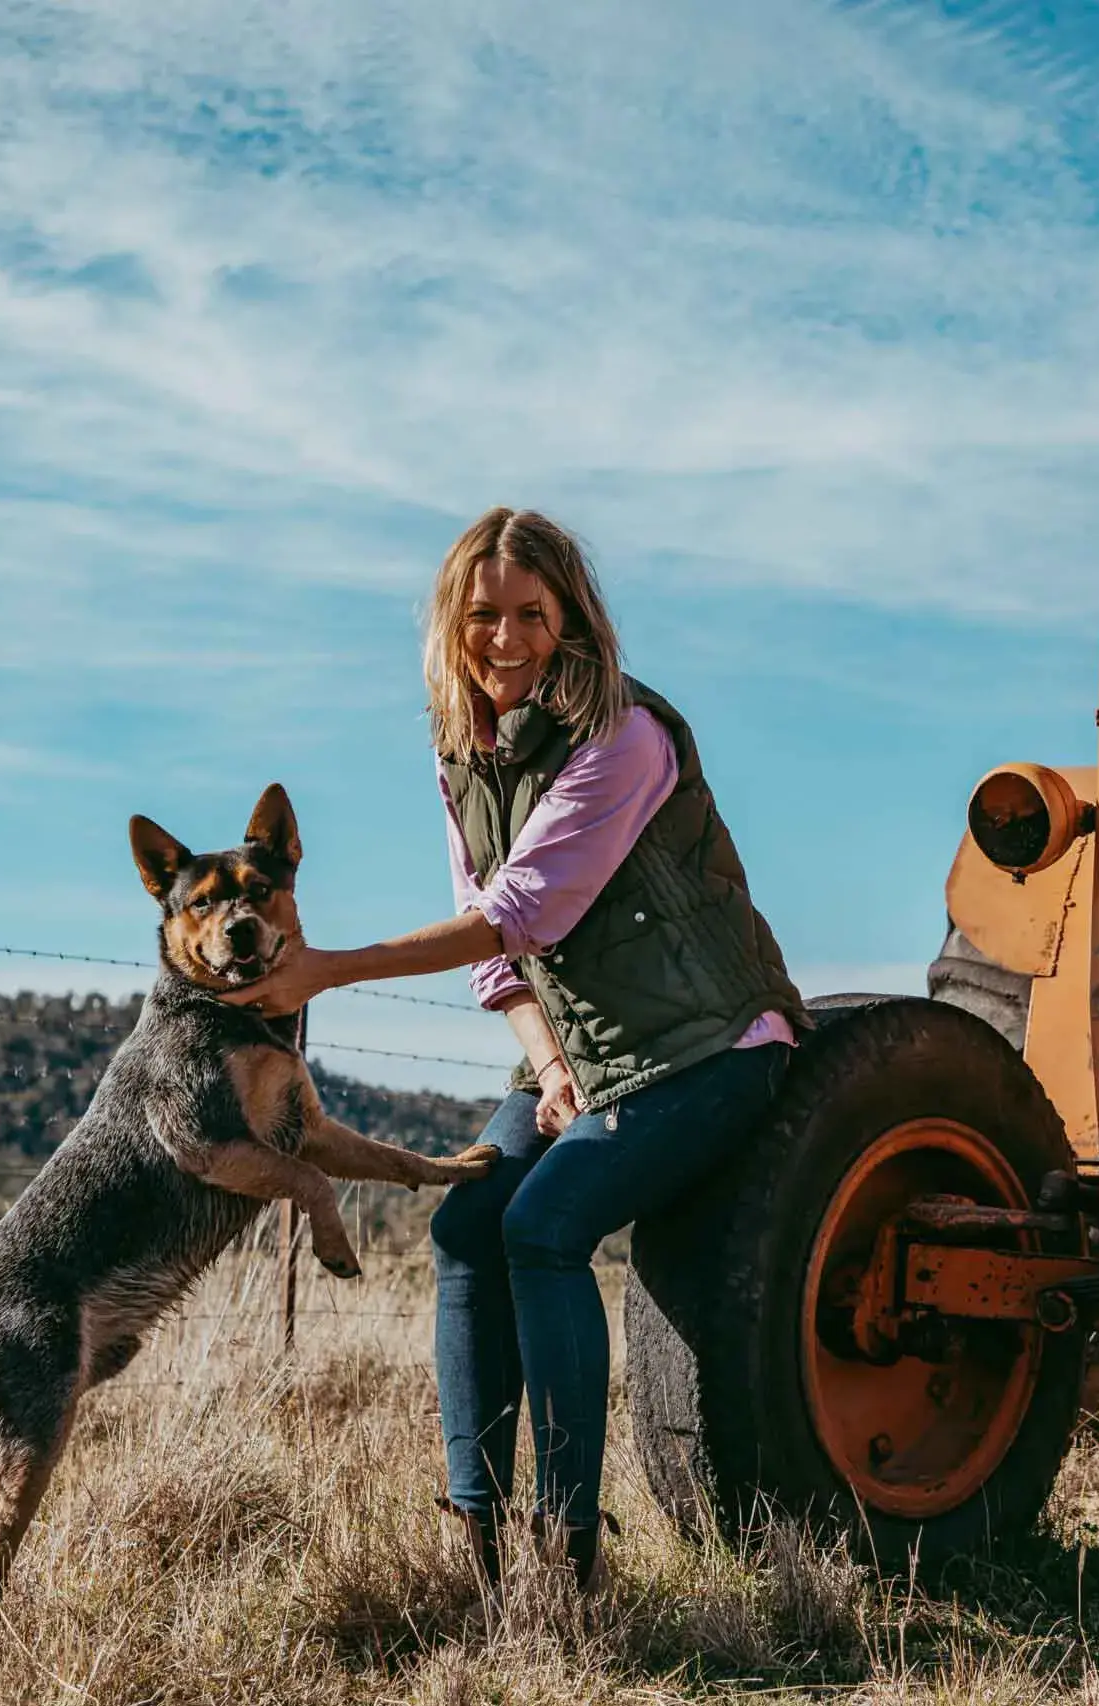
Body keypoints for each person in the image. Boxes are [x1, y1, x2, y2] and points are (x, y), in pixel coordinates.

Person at [224, 507, 804, 1591]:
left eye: (530, 614)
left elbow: (521, 912)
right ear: (451, 623)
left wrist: (325, 968)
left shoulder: (626, 738)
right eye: (482, 614)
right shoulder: (461, 750)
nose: (506, 638)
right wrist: (548, 1066)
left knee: (541, 1227)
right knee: (464, 1223)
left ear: (571, 617)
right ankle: (481, 1542)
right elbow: (494, 946)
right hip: (578, 1048)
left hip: (709, 1042)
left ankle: (567, 1541)